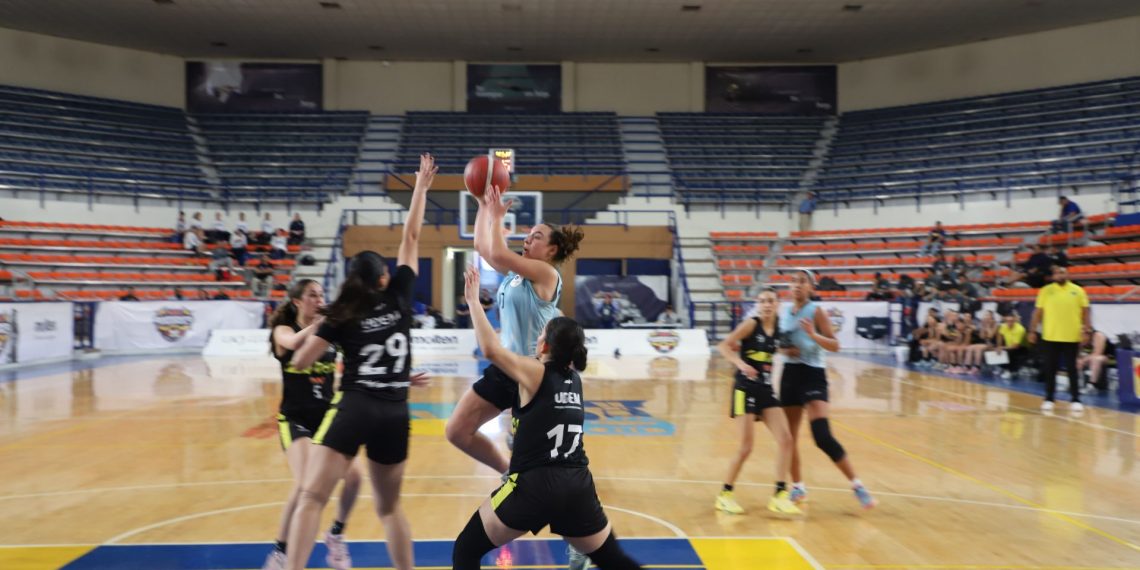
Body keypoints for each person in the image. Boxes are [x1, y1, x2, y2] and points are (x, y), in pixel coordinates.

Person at [283, 153, 436, 570]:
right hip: (395, 412)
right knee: (390, 509)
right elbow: (411, 235)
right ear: (383, 277)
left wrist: (322, 326)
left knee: (312, 497)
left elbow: (300, 362)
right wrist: (421, 187)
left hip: (355, 406)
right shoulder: (400, 295)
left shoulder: (343, 312)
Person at [451, 266, 643, 570]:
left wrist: (474, 301)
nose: (537, 338)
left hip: (534, 486)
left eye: (540, 334)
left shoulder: (535, 371)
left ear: (544, 346)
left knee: (465, 550)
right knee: (613, 560)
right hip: (577, 485)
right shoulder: (574, 378)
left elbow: (490, 349)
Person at [445, 183, 588, 570]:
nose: (529, 238)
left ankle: (579, 537)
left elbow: (493, 251)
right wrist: (482, 205)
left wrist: (494, 216)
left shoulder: (546, 273)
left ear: (552, 250)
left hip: (536, 377)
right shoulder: (513, 277)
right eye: (528, 234)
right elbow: (484, 247)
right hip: (507, 368)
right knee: (457, 431)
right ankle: (509, 473)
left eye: (537, 236)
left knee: (546, 467)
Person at [261, 280, 364, 570]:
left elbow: (357, 358)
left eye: (321, 295)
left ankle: (336, 534)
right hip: (295, 419)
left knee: (355, 477)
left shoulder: (329, 334)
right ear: (297, 301)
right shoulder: (283, 330)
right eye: (312, 295)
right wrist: (323, 324)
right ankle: (280, 551)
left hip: (327, 417)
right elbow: (295, 343)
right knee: (305, 483)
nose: (319, 299)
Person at [779, 270, 876, 509]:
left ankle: (857, 485)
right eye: (793, 281)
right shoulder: (784, 312)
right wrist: (784, 350)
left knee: (822, 436)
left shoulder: (816, 311)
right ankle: (798, 487)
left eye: (802, 282)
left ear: (811, 288)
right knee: (789, 438)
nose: (797, 285)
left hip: (813, 374)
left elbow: (834, 345)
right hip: (790, 375)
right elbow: (780, 344)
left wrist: (813, 335)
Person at [714, 288, 801, 516]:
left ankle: (780, 495)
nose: (766, 305)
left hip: (765, 388)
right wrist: (741, 364)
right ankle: (725, 494)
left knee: (786, 440)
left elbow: (773, 347)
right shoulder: (751, 324)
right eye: (762, 301)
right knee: (746, 447)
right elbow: (723, 345)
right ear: (758, 305)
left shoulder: (779, 327)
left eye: (770, 301)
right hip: (745, 388)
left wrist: (789, 351)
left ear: (777, 304)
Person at [1029, 265, 1089, 414]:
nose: (1060, 275)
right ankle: (1049, 398)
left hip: (1071, 336)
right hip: (1050, 336)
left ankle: (1075, 399)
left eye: (1062, 272)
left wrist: (1087, 331)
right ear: (1053, 276)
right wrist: (1032, 330)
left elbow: (1085, 312)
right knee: (1050, 368)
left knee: (1072, 369)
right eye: (1056, 273)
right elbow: (1038, 312)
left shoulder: (1078, 290)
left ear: (1067, 274)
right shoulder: (1046, 291)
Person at [996, 312, 1028, 380]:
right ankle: (1001, 368)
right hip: (1010, 346)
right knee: (998, 349)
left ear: (1014, 321)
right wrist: (999, 346)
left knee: (1010, 352)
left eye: (1011, 321)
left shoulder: (1020, 329)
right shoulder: (1003, 326)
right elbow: (999, 335)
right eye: (1007, 321)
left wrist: (1002, 347)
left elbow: (1015, 346)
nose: (1009, 323)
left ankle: (1010, 371)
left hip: (1023, 348)